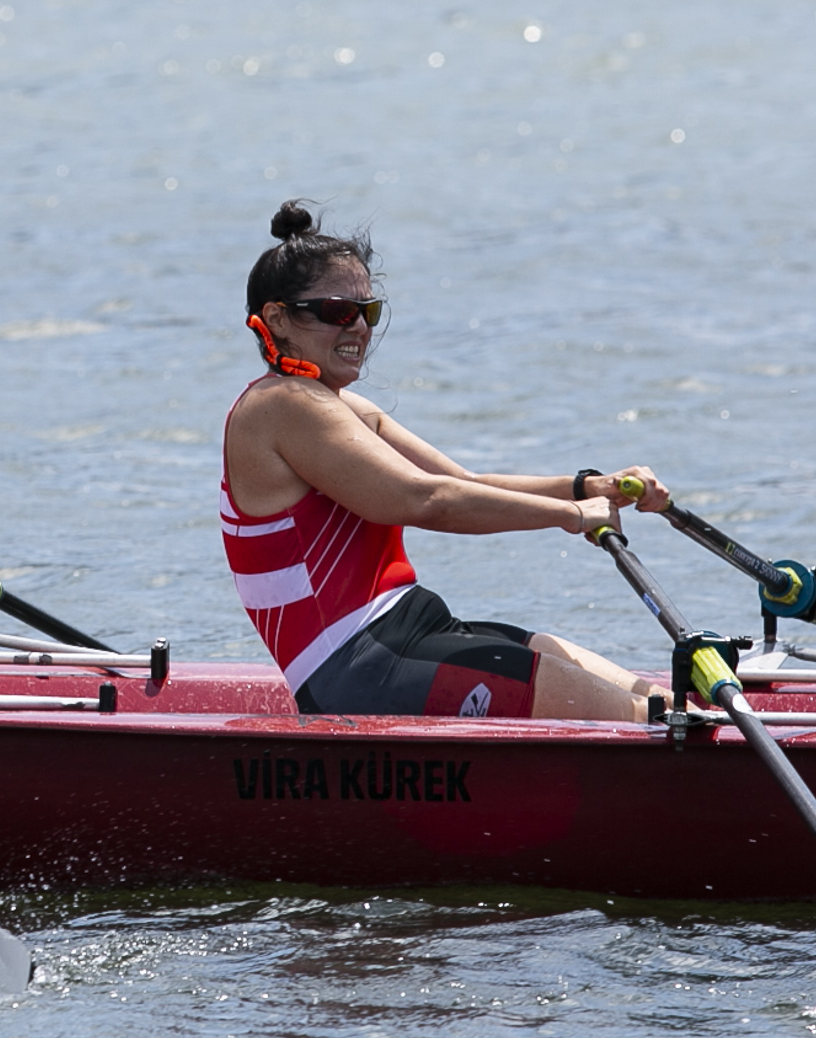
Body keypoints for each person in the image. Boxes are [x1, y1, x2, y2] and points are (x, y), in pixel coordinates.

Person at [219, 202, 670, 721]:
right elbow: (426, 500)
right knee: (646, 720)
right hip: (358, 666)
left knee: (653, 700)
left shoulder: (335, 406)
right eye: (341, 311)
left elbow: (458, 480)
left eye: (369, 313)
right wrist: (572, 518)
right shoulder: (280, 406)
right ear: (278, 319)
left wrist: (590, 488)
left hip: (414, 631)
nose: (361, 329)